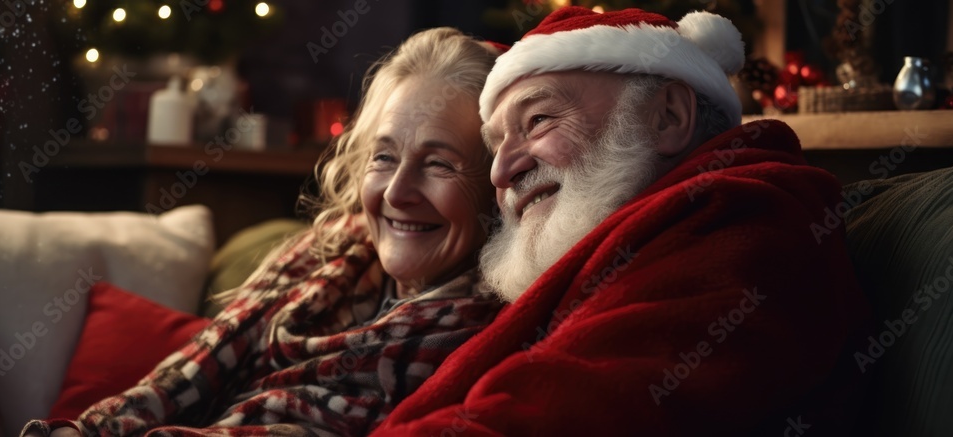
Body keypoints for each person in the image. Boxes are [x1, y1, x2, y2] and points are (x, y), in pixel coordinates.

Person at [372, 7, 870, 436]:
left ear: (669, 116)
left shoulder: (744, 223)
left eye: (539, 121)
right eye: (496, 144)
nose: (502, 170)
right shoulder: (646, 235)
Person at [21, 27, 505, 437]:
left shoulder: (488, 341)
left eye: (439, 163)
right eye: (384, 156)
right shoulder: (321, 256)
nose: (397, 193)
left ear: (496, 187)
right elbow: (175, 381)